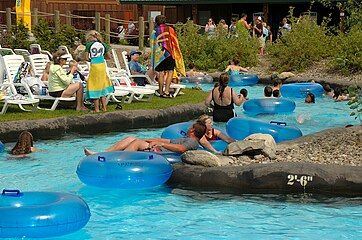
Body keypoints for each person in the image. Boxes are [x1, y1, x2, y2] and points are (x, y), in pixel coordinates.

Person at [84, 122, 206, 155]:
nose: (189, 127)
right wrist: (147, 139)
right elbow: (166, 141)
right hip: (160, 148)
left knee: (136, 142)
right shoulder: (185, 138)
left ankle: (118, 159)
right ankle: (103, 153)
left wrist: (161, 145)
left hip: (161, 152)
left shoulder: (192, 141)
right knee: (131, 138)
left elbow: (180, 149)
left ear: (193, 131)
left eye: (191, 127)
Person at [150, 15, 186, 98]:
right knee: (170, 72)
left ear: (156, 21)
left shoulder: (154, 31)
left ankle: (161, 92)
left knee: (161, 73)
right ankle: (167, 91)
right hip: (170, 53)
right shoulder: (170, 29)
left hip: (160, 55)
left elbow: (152, 45)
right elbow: (175, 41)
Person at [85, 30, 115, 112]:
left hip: (95, 65)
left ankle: (96, 109)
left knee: (95, 85)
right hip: (102, 65)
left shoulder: (89, 45)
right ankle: (104, 108)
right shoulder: (103, 45)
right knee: (102, 85)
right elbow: (109, 57)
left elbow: (86, 58)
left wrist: (93, 59)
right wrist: (101, 57)